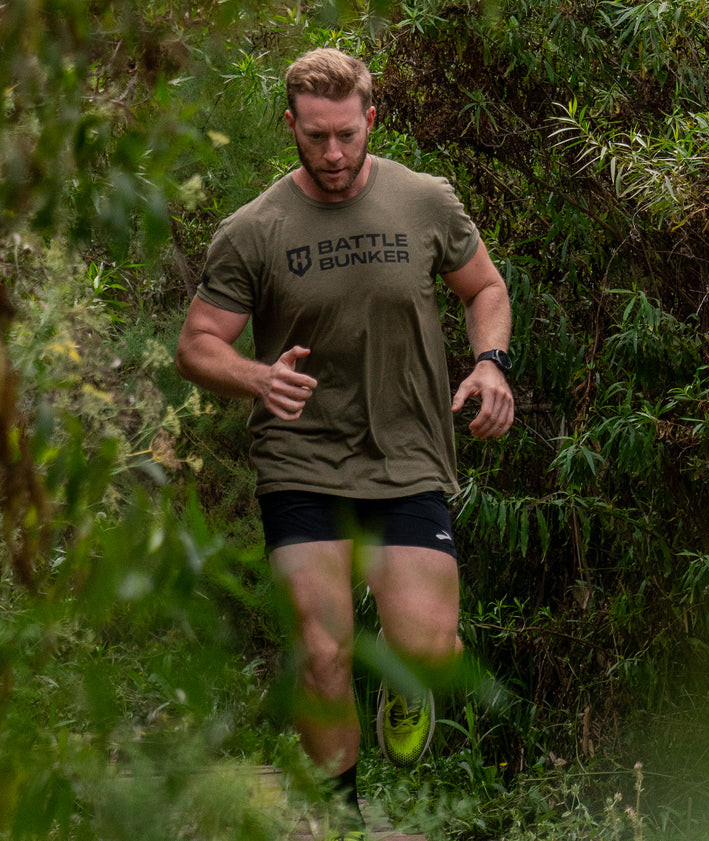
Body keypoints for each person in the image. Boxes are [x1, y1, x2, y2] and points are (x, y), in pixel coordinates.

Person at [175, 47, 514, 841]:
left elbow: (486, 288)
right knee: (322, 652)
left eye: (346, 135)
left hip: (407, 452)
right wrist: (256, 378)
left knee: (429, 647)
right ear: (291, 126)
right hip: (302, 458)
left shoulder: (424, 201)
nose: (332, 154)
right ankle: (342, 818)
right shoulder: (253, 230)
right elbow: (197, 344)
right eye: (315, 136)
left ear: (372, 120)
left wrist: (491, 362)